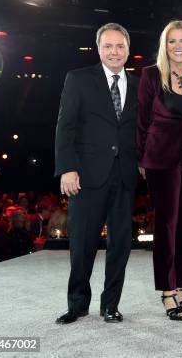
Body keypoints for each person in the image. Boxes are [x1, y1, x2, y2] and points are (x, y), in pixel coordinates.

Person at [54, 22, 139, 324]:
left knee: (120, 246)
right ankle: (77, 304)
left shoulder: (139, 84)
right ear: (98, 48)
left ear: (128, 50)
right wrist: (67, 168)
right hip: (86, 175)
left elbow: (142, 131)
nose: (114, 51)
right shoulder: (78, 79)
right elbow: (66, 127)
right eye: (108, 46)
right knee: (82, 243)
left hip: (125, 176)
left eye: (120, 46)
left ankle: (110, 305)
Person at [137, 20, 182, 321]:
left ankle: (180, 286)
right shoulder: (151, 74)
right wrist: (141, 158)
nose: (178, 46)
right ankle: (167, 291)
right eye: (172, 41)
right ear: (164, 45)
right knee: (167, 225)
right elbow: (142, 119)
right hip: (161, 156)